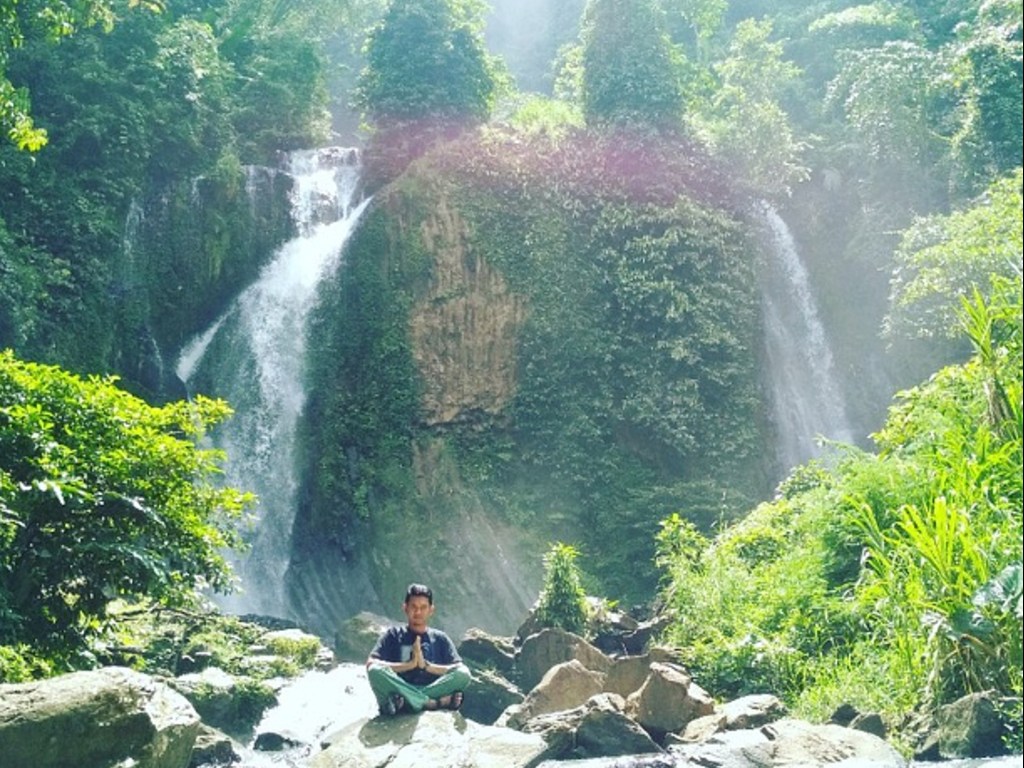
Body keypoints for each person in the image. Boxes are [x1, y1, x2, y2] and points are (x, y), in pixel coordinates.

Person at [366, 582, 472, 716]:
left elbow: (458, 668)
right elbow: (371, 663)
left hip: (428, 690)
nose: (418, 612)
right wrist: (408, 665)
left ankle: (413, 701)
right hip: (397, 693)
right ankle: (430, 703)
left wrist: (426, 666)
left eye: (423, 607)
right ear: (405, 608)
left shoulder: (440, 638)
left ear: (431, 610)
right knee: (375, 671)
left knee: (464, 673)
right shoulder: (392, 635)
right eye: (413, 607)